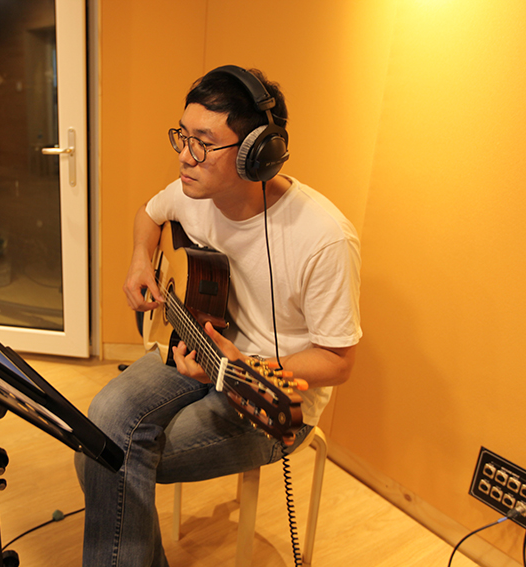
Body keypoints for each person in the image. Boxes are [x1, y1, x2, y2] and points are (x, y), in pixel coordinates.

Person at [74, 65, 362, 567]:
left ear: (256, 152)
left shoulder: (324, 238)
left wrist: (243, 367)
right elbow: (149, 213)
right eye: (182, 136)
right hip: (200, 347)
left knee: (114, 457)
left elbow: (338, 362)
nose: (184, 156)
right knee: (97, 434)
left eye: (203, 143)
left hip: (271, 397)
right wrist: (141, 259)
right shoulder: (193, 192)